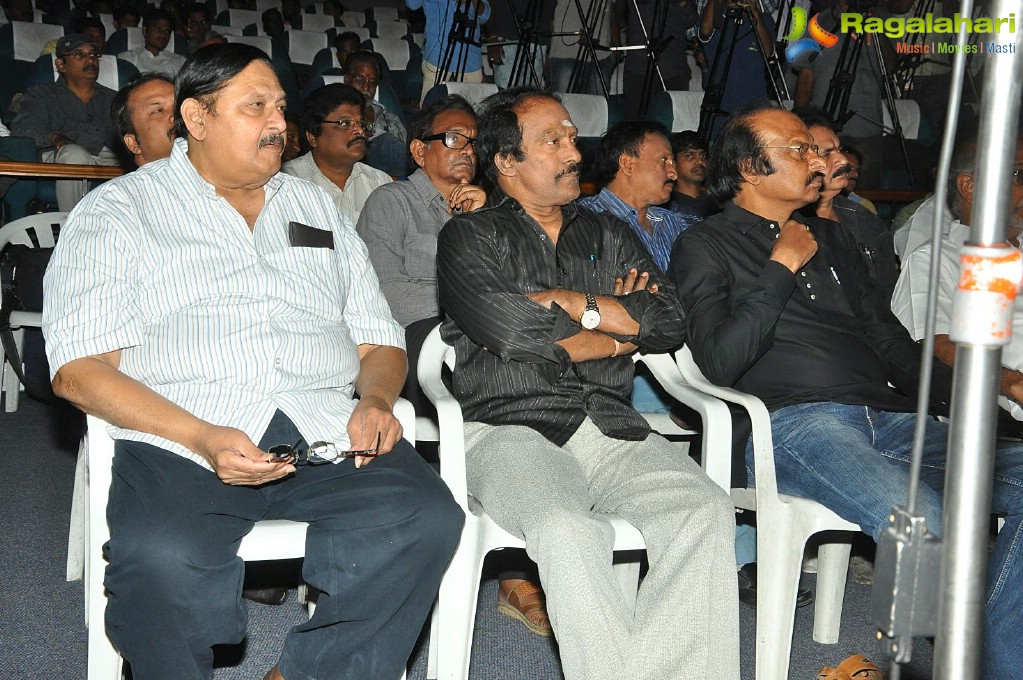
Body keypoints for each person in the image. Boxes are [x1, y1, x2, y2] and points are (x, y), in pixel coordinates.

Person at [42, 43, 463, 680]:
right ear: (197, 118)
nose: (278, 123)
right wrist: (202, 436)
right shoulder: (119, 212)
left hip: (322, 426)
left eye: (281, 107)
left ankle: (310, 673)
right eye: (256, 106)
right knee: (161, 563)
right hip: (182, 430)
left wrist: (376, 400)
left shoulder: (315, 208)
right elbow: (78, 369)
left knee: (425, 518)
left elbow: (379, 341)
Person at [669, 101, 1023, 678]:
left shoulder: (833, 240)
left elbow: (889, 343)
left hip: (892, 418)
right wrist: (781, 267)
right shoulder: (705, 245)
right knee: (924, 526)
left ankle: (998, 661)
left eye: (815, 149)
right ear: (751, 170)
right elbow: (718, 362)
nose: (817, 159)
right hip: (795, 426)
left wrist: (977, 403)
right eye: (798, 150)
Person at [437, 86, 739, 680]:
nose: (573, 150)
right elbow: (516, 335)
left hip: (608, 421)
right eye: (553, 140)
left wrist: (574, 303)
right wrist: (620, 330)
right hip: (508, 425)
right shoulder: (470, 237)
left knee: (703, 509)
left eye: (573, 136)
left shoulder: (608, 233)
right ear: (506, 161)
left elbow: (669, 322)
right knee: (567, 529)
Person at [891, 136, 1023, 421]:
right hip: (1001, 416)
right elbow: (933, 347)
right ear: (970, 187)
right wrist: (1011, 382)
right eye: (1020, 175)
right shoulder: (936, 260)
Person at [798, 110, 899, 307]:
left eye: (839, 149)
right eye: (827, 154)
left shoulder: (864, 220)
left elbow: (888, 293)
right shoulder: (783, 223)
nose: (843, 161)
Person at [12, 33, 119, 212]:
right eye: (79, 54)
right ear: (61, 65)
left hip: (106, 155)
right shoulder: (41, 94)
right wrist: (53, 137)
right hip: (59, 155)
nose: (90, 60)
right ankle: (71, 231)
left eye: (93, 54)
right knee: (74, 154)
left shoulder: (114, 98)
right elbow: (23, 128)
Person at [282, 83, 391, 225]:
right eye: (345, 123)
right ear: (313, 137)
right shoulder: (286, 182)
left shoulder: (380, 183)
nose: (359, 131)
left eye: (361, 123)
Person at [406, 0, 491, 103]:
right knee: (430, 109)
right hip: (437, 56)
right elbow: (412, 4)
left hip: (469, 57)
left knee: (471, 110)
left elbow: (485, 16)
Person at [343, 52, 407, 177]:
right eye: (360, 79)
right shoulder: (332, 115)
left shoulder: (389, 118)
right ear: (347, 80)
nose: (366, 87)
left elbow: (408, 159)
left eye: (372, 82)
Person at [110, 72, 175, 167]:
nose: (177, 115)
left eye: (178, 107)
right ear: (134, 143)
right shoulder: (127, 182)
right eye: (158, 111)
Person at [118, 8, 186, 78]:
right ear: (145, 31)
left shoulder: (179, 61)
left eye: (167, 31)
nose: (163, 35)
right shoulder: (127, 58)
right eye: (158, 29)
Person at [668, 130, 717, 220]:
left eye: (703, 156)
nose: (700, 161)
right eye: (689, 156)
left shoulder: (718, 205)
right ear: (673, 163)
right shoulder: (666, 205)